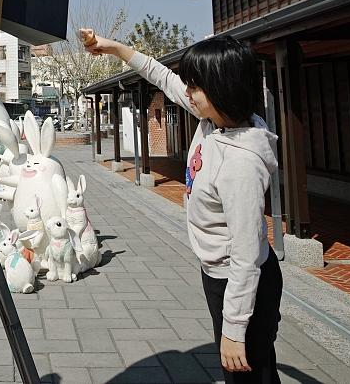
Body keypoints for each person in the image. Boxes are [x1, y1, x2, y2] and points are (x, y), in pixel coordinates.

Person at [83, 28, 282, 384]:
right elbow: (162, 76)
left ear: (223, 89)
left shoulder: (240, 164)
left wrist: (235, 329)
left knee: (244, 372)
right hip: (218, 273)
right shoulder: (214, 121)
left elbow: (247, 254)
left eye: (195, 85)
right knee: (259, 370)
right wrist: (113, 48)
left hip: (240, 281)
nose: (186, 92)